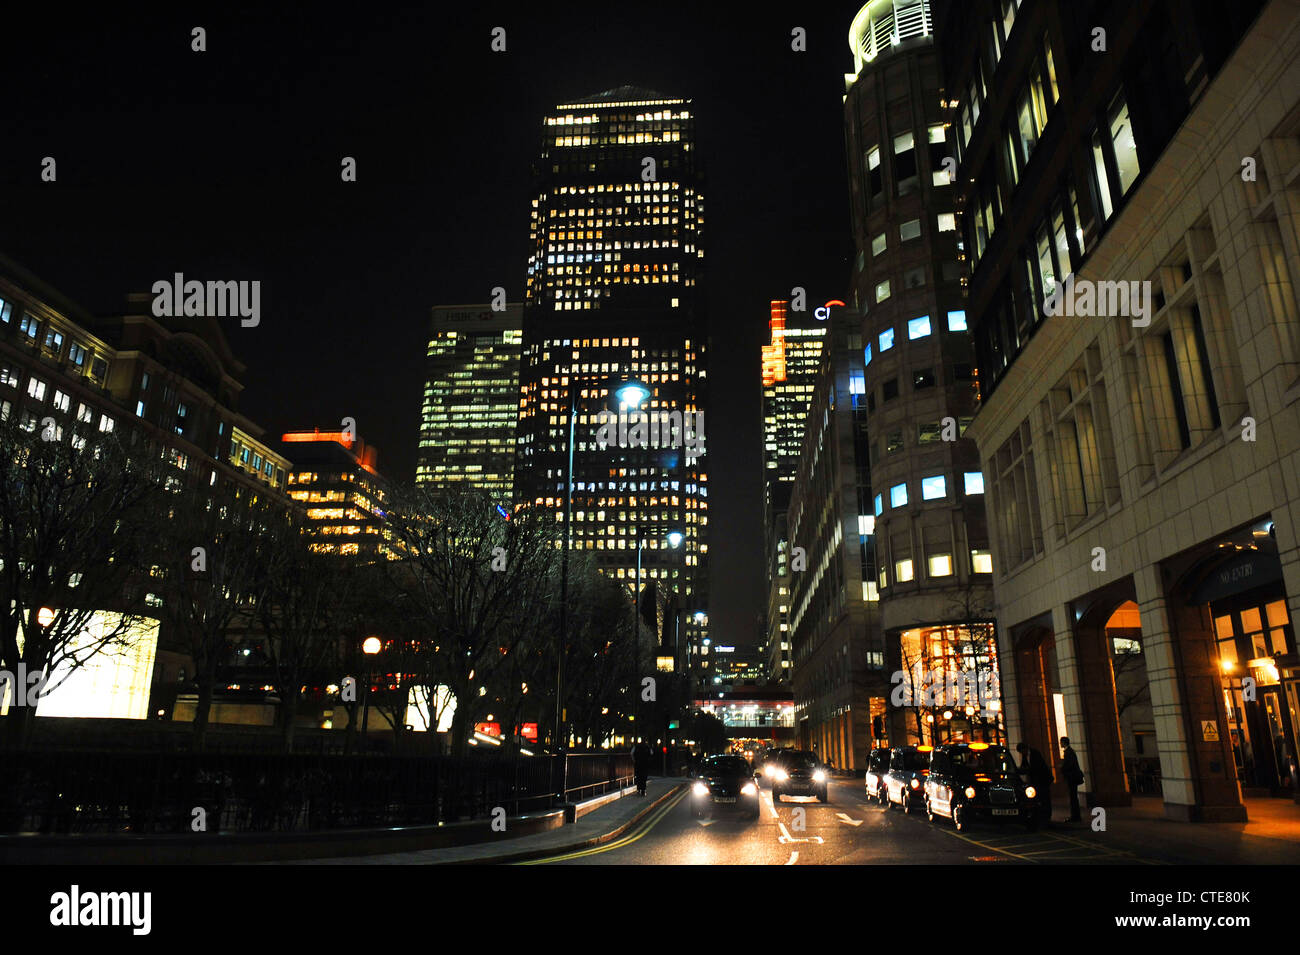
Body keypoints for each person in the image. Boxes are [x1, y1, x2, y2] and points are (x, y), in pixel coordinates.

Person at [1015, 741, 1052, 823]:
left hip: (1043, 779)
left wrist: (1026, 770)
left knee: (1045, 797)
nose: (1021, 753)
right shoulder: (1025, 756)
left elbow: (1037, 767)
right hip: (1035, 780)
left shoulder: (1035, 753)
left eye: (1021, 751)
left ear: (1024, 749)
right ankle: (1041, 816)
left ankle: (1047, 817)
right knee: (1038, 797)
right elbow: (1023, 766)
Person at [1060, 736, 1084, 822]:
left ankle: (1075, 816)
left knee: (1073, 797)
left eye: (1061, 742)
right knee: (1073, 797)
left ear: (1064, 742)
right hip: (1073, 777)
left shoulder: (1068, 752)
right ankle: (1076, 816)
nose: (1060, 744)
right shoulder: (1070, 751)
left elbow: (1069, 765)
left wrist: (1062, 768)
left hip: (1072, 778)